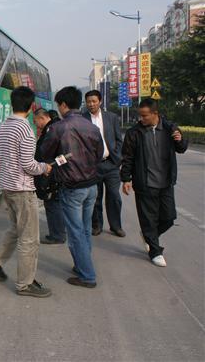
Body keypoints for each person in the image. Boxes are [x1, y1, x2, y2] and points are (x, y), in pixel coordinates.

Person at [0, 86, 52, 298]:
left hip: (6, 187)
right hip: (22, 190)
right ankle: (25, 284)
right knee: (29, 239)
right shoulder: (25, 130)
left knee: (15, 230)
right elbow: (28, 165)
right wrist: (45, 168)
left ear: (12, 104)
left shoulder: (2, 127)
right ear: (31, 107)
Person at [40, 86, 103, 288]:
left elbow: (43, 152)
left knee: (75, 232)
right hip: (92, 185)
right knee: (84, 229)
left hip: (72, 186)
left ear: (64, 105)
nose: (58, 109)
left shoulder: (59, 128)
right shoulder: (92, 127)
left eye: (59, 105)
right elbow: (100, 152)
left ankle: (87, 275)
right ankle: (81, 265)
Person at [120, 98, 188, 267]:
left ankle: (149, 236)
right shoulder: (134, 133)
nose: (141, 119)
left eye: (145, 116)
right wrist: (126, 179)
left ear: (155, 114)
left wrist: (179, 140)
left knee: (169, 217)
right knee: (148, 219)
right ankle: (155, 251)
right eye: (140, 115)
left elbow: (182, 148)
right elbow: (127, 157)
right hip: (145, 183)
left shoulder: (169, 128)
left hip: (166, 182)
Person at [82, 90, 125, 237]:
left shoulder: (111, 117)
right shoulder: (82, 119)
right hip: (93, 166)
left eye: (94, 101)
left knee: (114, 196)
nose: (91, 104)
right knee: (95, 198)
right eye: (88, 101)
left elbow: (119, 139)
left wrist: (117, 158)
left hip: (111, 164)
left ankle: (116, 226)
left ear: (100, 101)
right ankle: (97, 225)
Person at [33, 108, 66, 245]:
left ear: (42, 118)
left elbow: (61, 154)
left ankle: (57, 235)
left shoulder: (51, 130)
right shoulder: (53, 128)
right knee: (54, 204)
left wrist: (52, 167)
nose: (36, 125)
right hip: (52, 172)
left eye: (36, 122)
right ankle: (58, 232)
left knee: (53, 205)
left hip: (51, 173)